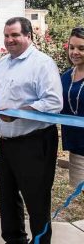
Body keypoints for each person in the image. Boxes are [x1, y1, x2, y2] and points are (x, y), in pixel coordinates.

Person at [0, 17, 63, 244]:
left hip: (35, 142)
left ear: (28, 36)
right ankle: (14, 240)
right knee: (7, 197)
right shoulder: (1, 63)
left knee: (36, 199)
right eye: (6, 35)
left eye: (15, 35)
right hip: (7, 143)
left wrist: (19, 112)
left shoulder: (42, 63)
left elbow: (53, 102)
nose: (9, 40)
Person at [61, 27, 84, 189]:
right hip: (77, 149)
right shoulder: (65, 77)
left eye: (81, 48)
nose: (75, 52)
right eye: (72, 47)